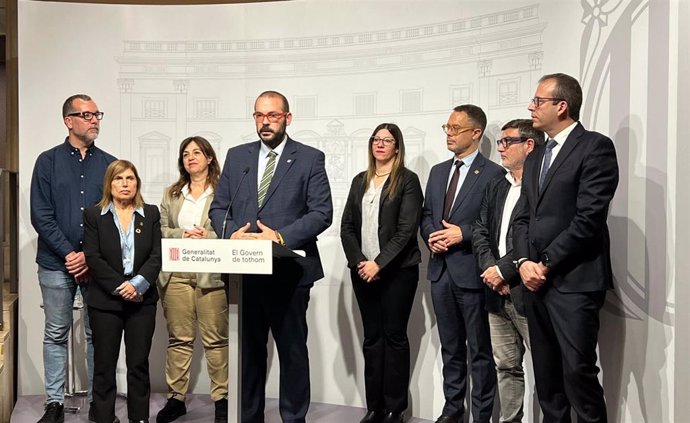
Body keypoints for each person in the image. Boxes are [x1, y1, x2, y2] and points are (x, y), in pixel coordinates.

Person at [209, 90, 333, 423]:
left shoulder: (309, 158)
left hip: (289, 273)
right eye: (259, 115)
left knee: (292, 354)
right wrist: (231, 230)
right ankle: (250, 418)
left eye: (273, 115)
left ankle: (294, 418)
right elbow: (219, 207)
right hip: (244, 274)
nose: (265, 122)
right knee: (249, 354)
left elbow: (322, 212)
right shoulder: (238, 157)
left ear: (287, 118)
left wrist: (279, 236)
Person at [514, 73, 619, 423]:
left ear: (562, 106)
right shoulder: (535, 156)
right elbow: (523, 218)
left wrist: (544, 263)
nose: (531, 106)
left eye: (538, 101)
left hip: (574, 282)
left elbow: (589, 219)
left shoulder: (595, 146)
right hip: (534, 284)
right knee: (547, 379)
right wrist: (524, 262)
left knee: (578, 375)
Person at [30, 94, 116, 423]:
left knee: (98, 334)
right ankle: (54, 404)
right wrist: (70, 254)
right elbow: (41, 214)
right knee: (55, 333)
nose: (94, 120)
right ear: (69, 121)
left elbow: (113, 216)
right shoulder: (47, 162)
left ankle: (99, 403)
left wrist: (89, 257)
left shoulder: (110, 164)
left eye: (97, 114)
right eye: (87, 114)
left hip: (97, 267)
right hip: (55, 264)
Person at [420, 104, 504, 423]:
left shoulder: (494, 174)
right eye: (447, 127)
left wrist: (462, 234)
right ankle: (453, 410)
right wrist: (432, 235)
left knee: (480, 352)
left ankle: (481, 416)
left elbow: (495, 223)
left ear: (476, 133)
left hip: (472, 273)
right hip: (440, 272)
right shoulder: (438, 171)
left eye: (456, 128)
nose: (449, 134)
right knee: (450, 349)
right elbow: (428, 215)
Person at [340, 123, 423, 423]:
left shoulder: (408, 181)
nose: (380, 144)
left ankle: (394, 409)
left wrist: (379, 263)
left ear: (397, 147)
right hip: (363, 272)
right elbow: (347, 227)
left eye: (387, 140)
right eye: (376, 139)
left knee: (395, 338)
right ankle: (374, 406)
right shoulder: (360, 180)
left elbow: (406, 230)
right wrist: (361, 262)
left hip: (398, 273)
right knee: (372, 339)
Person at [472, 119, 543, 423]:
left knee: (544, 366)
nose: (500, 147)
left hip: (527, 291)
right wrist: (491, 270)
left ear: (529, 145)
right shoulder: (497, 183)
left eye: (507, 142)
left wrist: (503, 271)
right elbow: (479, 230)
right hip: (495, 292)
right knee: (506, 366)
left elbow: (535, 238)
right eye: (499, 142)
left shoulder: (541, 185)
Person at [156, 136, 228, 423]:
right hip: (175, 275)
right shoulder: (171, 193)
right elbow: (161, 228)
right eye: (186, 153)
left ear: (209, 157)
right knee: (179, 340)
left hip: (211, 274)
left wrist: (207, 235)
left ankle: (222, 399)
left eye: (197, 152)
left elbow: (228, 228)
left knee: (216, 340)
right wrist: (182, 234)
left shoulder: (224, 191)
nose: (191, 157)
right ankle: (176, 399)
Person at [83, 160, 162, 423]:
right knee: (104, 366)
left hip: (142, 300)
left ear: (137, 182)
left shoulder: (150, 213)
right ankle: (104, 418)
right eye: (119, 179)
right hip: (105, 300)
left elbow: (155, 256)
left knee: (138, 365)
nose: (125, 184)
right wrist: (122, 287)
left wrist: (137, 284)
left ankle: (139, 419)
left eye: (130, 178)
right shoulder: (94, 215)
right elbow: (93, 257)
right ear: (110, 183)